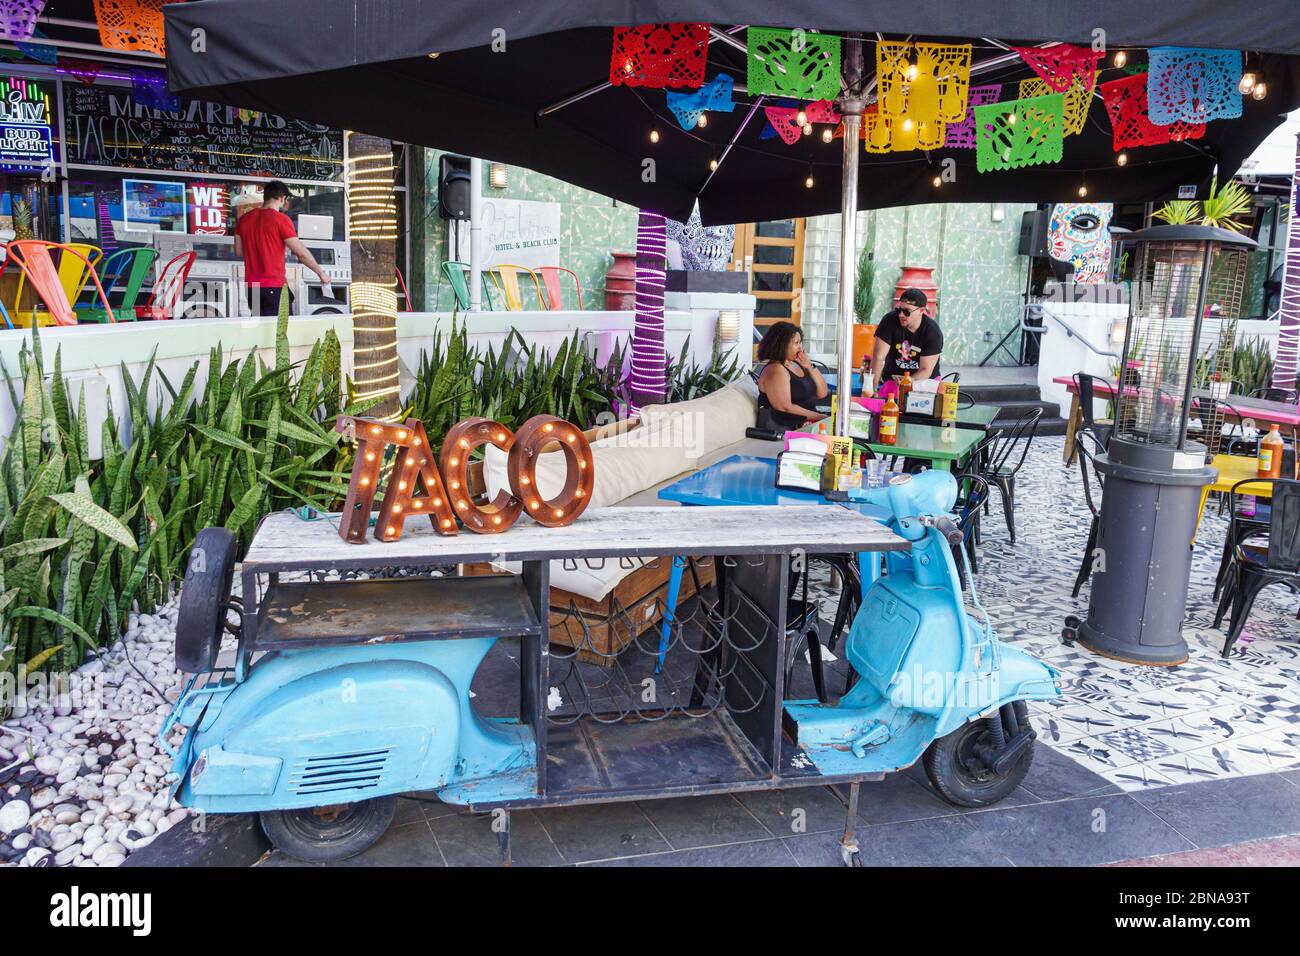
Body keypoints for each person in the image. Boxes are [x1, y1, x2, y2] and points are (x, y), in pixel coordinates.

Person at [233, 180, 331, 316]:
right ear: (282, 198)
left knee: (259, 328)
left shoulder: (243, 220)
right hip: (274, 286)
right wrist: (321, 273)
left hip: (252, 288)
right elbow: (300, 253)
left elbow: (239, 252)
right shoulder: (281, 219)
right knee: (279, 332)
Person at [756, 321, 829, 430]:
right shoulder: (775, 370)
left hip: (808, 425)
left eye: (800, 343)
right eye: (796, 343)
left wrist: (810, 366)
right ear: (782, 344)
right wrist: (820, 417)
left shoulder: (797, 363)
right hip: (788, 429)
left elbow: (822, 393)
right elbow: (785, 407)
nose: (800, 348)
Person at [870, 288, 943, 397]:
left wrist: (909, 381)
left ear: (921, 311)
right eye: (899, 310)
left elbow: (926, 369)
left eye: (907, 311)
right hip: (894, 380)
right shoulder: (889, 321)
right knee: (887, 401)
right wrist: (872, 391)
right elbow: (878, 357)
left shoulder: (932, 331)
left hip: (925, 380)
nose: (901, 315)